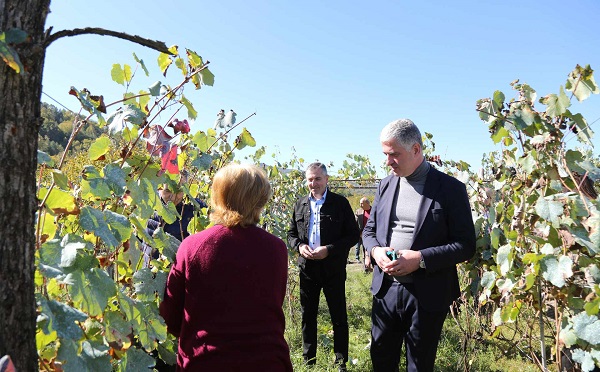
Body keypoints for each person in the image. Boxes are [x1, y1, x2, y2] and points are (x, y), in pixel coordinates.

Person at [363, 119, 476, 371]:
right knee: (381, 359)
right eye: (385, 154)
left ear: (416, 150)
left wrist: (421, 259)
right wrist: (375, 250)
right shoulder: (385, 184)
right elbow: (370, 230)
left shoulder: (450, 189)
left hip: (427, 294)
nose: (388, 161)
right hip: (386, 291)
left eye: (394, 155)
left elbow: (465, 244)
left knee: (420, 365)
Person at [160, 163, 293, 371]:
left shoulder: (193, 247)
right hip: (267, 362)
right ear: (261, 200)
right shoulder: (277, 248)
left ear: (218, 197)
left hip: (206, 361)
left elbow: (170, 317)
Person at [287, 162, 359, 371]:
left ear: (327, 180)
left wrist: (329, 249)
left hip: (333, 269)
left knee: (338, 316)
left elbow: (353, 235)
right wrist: (299, 247)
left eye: (318, 178)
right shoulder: (300, 204)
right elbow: (291, 234)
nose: (313, 183)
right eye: (310, 179)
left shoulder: (340, 203)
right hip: (307, 269)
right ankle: (309, 361)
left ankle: (341, 361)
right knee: (307, 316)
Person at [141, 171, 206, 268]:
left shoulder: (194, 209)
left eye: (178, 191)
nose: (173, 196)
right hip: (150, 275)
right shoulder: (147, 207)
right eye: (167, 191)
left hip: (177, 276)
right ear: (159, 188)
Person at [354, 197, 372, 271]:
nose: (360, 205)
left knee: (370, 251)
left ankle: (372, 267)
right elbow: (354, 223)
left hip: (372, 234)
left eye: (362, 203)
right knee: (364, 251)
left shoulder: (374, 211)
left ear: (367, 203)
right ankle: (366, 269)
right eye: (360, 203)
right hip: (361, 234)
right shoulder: (358, 212)